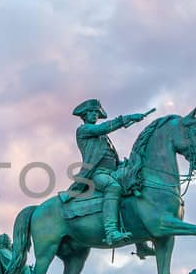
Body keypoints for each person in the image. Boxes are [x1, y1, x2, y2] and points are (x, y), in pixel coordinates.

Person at [62, 99, 152, 245]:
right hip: (96, 175)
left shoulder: (102, 136)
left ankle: (141, 243)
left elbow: (108, 154)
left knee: (133, 185)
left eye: (96, 112)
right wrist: (126, 119)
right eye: (91, 112)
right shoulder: (84, 130)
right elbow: (102, 128)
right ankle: (111, 232)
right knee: (113, 187)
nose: (94, 115)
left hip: (112, 172)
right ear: (84, 115)